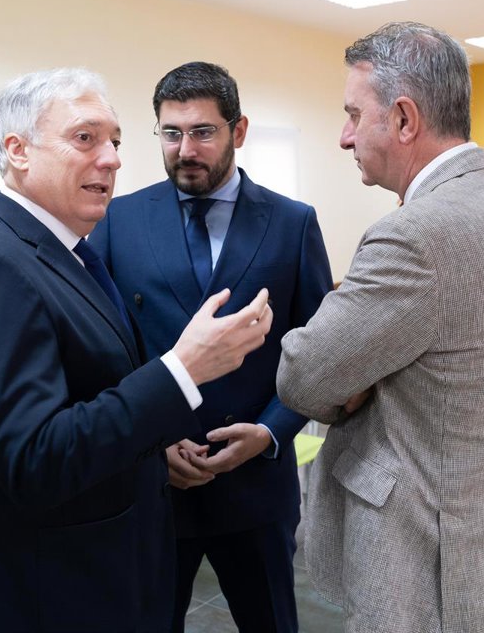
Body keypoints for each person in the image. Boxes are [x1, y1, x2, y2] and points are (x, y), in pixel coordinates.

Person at [0, 67, 273, 633]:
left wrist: (153, 443)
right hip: (47, 597)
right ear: (18, 151)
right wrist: (182, 370)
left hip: (108, 573)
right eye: (85, 138)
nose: (111, 159)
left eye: (115, 141)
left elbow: (94, 394)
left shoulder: (70, 253)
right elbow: (35, 460)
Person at [277, 22, 484, 633]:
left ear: (404, 119)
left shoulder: (414, 237)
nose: (344, 136)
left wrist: (354, 377)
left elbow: (303, 375)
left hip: (422, 568)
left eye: (355, 114)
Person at [91, 61, 333, 632]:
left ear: (238, 131)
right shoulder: (119, 220)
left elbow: (320, 356)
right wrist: (150, 442)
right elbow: (103, 347)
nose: (185, 150)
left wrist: (270, 433)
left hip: (256, 490)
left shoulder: (292, 223)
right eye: (171, 133)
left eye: (202, 131)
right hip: (154, 484)